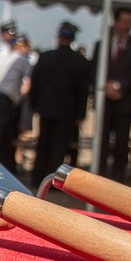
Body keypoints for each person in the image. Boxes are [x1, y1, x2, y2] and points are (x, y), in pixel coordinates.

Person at [89, 7, 131, 183]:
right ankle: (99, 175)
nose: (127, 26)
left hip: (125, 100)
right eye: (124, 22)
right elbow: (94, 70)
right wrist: (104, 86)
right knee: (102, 140)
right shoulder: (102, 45)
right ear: (116, 22)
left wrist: (118, 85)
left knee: (122, 141)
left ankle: (118, 177)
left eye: (130, 23)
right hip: (105, 100)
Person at [29, 22, 90, 187]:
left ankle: (38, 177)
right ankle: (54, 182)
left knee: (43, 144)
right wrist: (81, 114)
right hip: (67, 112)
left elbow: (35, 84)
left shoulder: (46, 57)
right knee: (59, 147)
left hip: (46, 109)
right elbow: (82, 91)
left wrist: (33, 105)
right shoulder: (80, 61)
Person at [0, 33, 32, 173]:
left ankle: (2, 165)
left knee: (1, 134)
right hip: (6, 100)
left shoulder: (7, 58)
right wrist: (21, 99)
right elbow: (27, 84)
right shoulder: (22, 60)